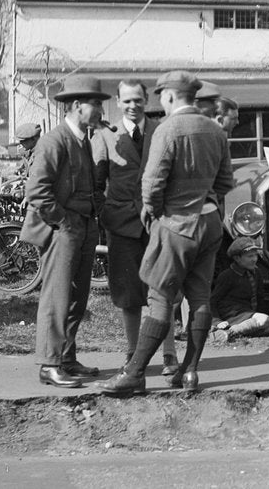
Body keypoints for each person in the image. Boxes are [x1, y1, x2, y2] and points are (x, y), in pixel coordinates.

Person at [97, 70, 233, 396]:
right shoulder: (215, 130)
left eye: (161, 96)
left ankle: (134, 373)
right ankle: (189, 372)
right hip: (210, 222)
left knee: (159, 297)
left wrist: (156, 211)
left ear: (170, 96)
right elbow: (226, 182)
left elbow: (152, 184)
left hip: (176, 225)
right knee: (199, 297)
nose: (160, 102)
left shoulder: (167, 129)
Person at [21, 75, 110, 389]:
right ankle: (49, 364)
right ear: (76, 106)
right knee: (57, 297)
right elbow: (37, 191)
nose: (100, 109)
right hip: (63, 229)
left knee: (77, 297)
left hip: (83, 227)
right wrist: (62, 220)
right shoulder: (54, 141)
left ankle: (66, 358)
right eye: (95, 104)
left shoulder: (83, 139)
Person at [92, 80, 179, 375]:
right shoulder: (105, 134)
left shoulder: (162, 129)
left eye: (138, 100)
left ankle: (169, 355)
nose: (133, 106)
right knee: (128, 293)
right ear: (117, 102)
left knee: (163, 289)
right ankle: (132, 353)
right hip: (122, 225)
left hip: (158, 224)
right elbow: (97, 180)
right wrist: (106, 213)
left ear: (146, 101)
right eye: (127, 101)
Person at [209, 237, 269, 341]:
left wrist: (260, 314)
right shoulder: (227, 276)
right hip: (232, 315)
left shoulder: (256, 272)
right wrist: (217, 321)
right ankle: (230, 332)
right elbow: (213, 301)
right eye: (250, 256)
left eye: (255, 255)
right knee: (264, 320)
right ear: (237, 258)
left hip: (247, 313)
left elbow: (260, 297)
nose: (254, 259)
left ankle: (228, 334)